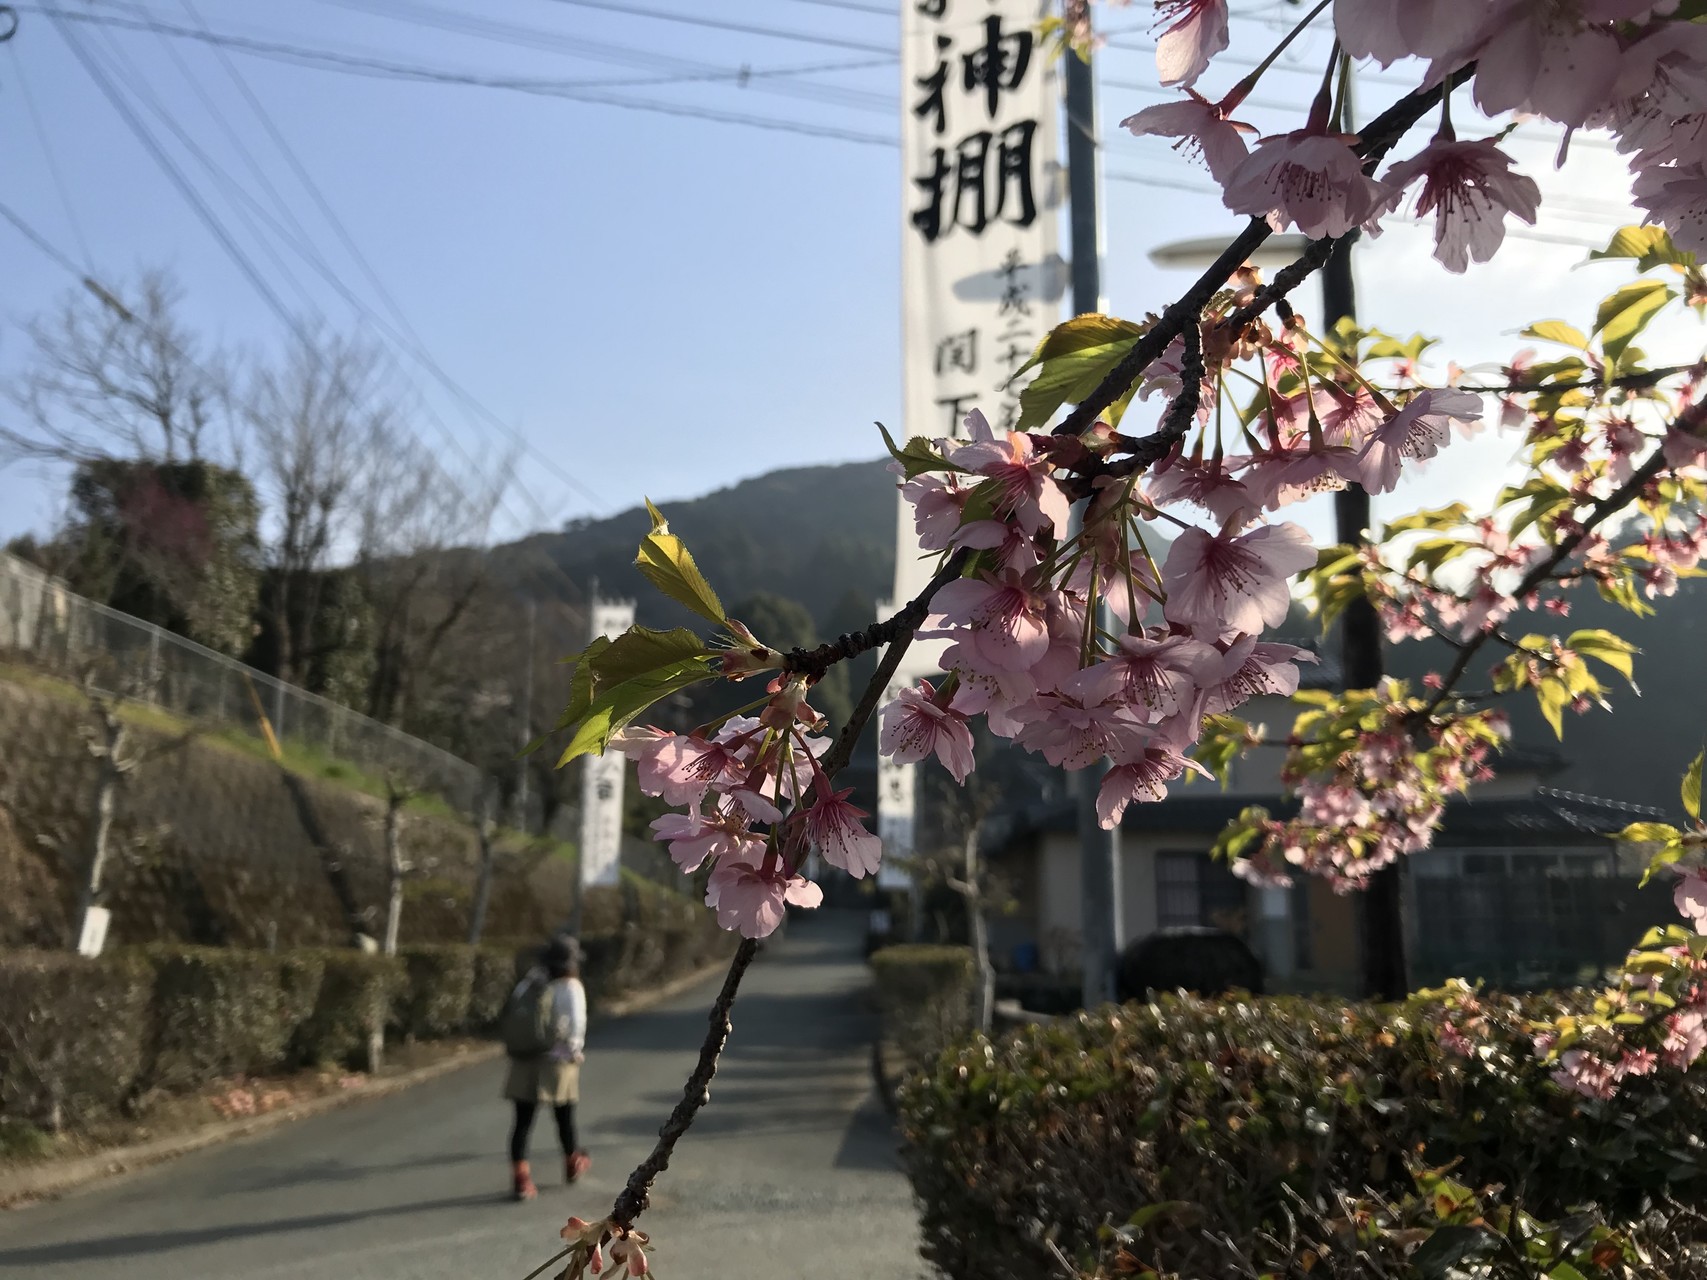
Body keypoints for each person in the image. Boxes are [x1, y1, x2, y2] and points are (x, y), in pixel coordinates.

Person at [502, 934, 591, 1201]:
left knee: (522, 1123)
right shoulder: (571, 986)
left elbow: (512, 1015)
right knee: (564, 1118)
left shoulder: (530, 982)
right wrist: (574, 1052)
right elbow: (576, 1026)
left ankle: (521, 1178)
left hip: (525, 1059)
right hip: (557, 1061)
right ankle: (572, 1161)